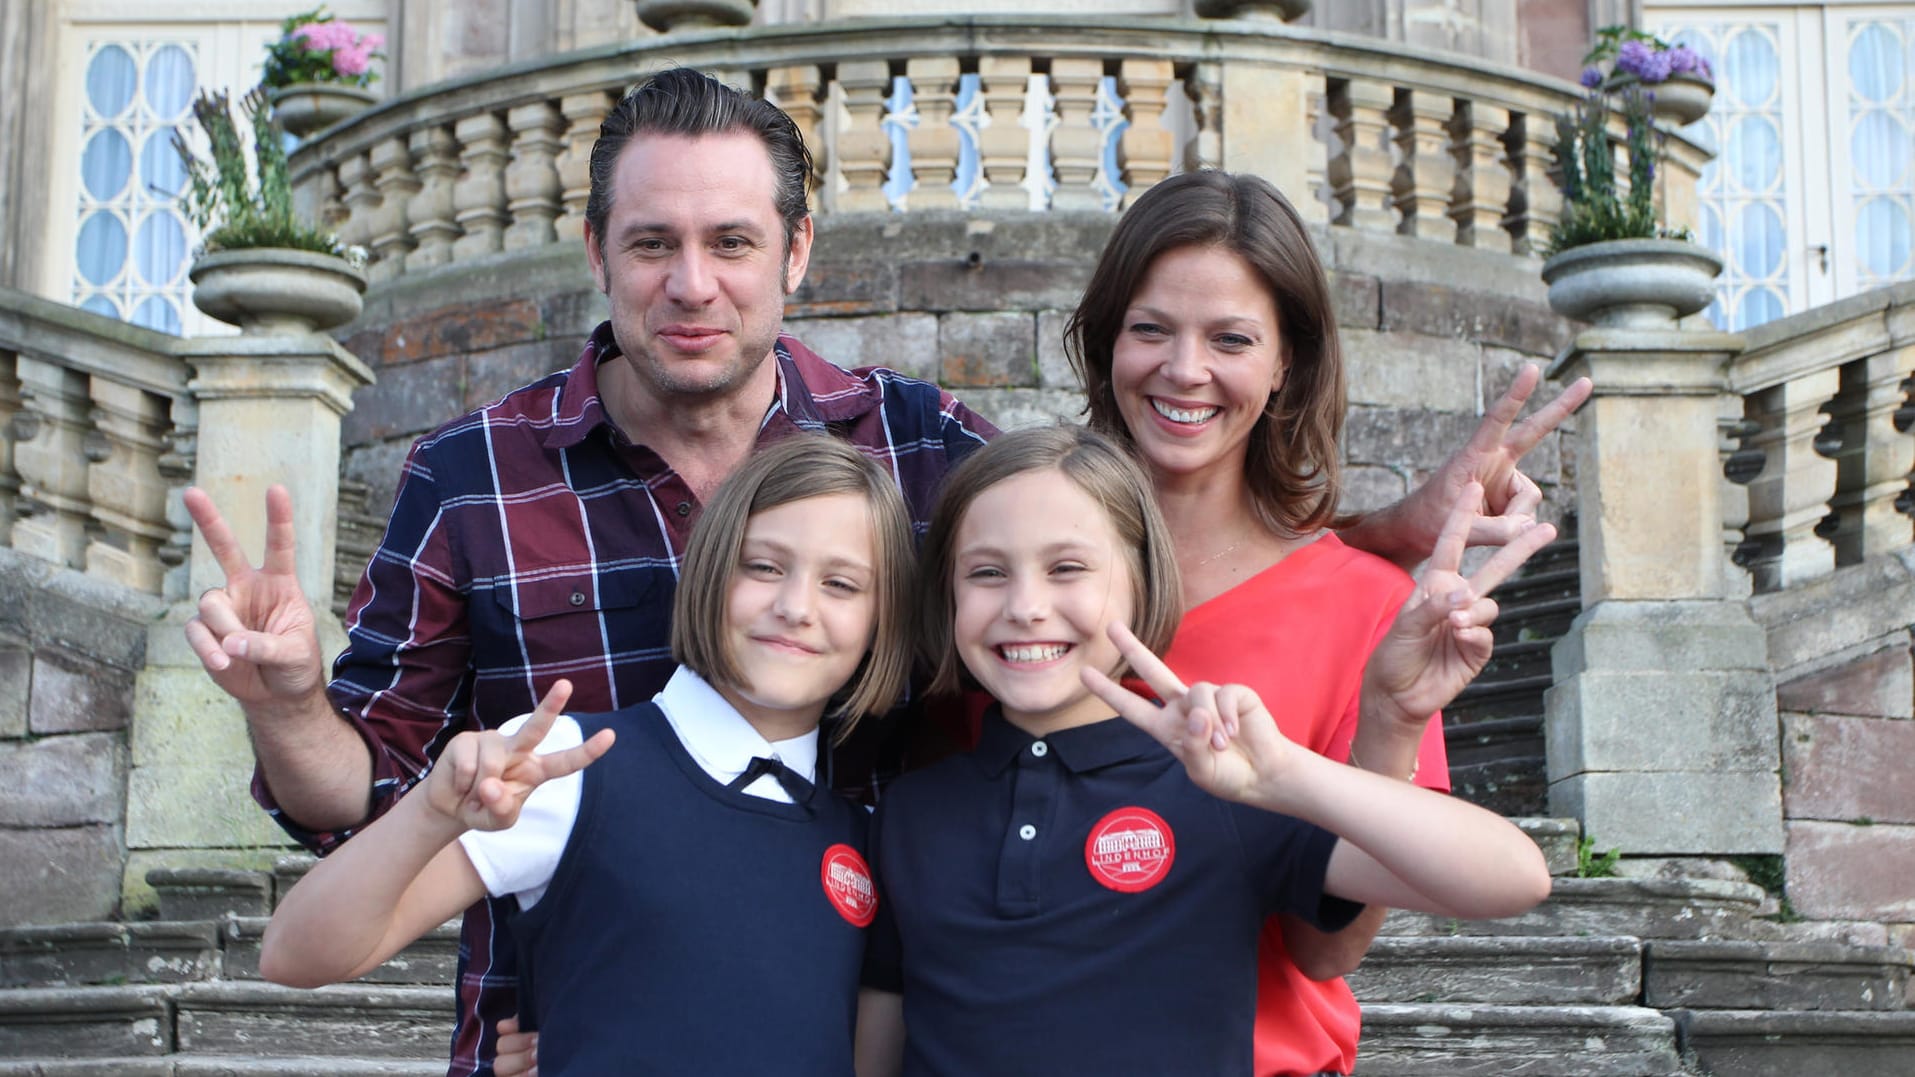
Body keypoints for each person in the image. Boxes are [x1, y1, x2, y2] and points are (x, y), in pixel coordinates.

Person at [182, 68, 1583, 1076]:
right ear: (596, 250)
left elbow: (1097, 516)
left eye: (732, 241)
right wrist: (321, 727)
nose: (691, 281)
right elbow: (332, 874)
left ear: (795, 250)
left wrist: (1378, 544)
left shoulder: (929, 500)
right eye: (653, 242)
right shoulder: (504, 562)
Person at [1059, 169, 1589, 1076]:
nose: (1184, 369)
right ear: (1106, 337)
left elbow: (1324, 951)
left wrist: (1391, 722)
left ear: (1284, 366)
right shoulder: (1014, 576)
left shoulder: (1363, 602)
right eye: (1150, 328)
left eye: (1230, 338)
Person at [857, 426, 1553, 1076]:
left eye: (1066, 567)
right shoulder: (908, 812)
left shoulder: (1220, 786)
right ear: (944, 595)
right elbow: (878, 1045)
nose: (1025, 605)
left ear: (1140, 582)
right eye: (986, 573)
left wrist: (1286, 772)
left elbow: (1513, 878)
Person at [261, 435, 916, 1076]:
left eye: (841, 584)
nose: (795, 606)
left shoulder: (864, 836)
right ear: (711, 571)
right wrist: (431, 809)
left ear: (882, 623)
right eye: (764, 565)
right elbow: (296, 953)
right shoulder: (569, 763)